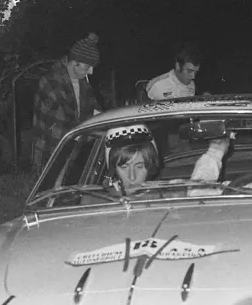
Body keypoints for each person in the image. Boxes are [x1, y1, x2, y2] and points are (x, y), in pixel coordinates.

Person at [32, 32, 103, 171]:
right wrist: (95, 133)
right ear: (75, 62)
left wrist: (107, 122)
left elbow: (94, 108)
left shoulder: (83, 82)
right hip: (52, 151)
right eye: (88, 67)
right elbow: (64, 125)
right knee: (53, 190)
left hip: (72, 150)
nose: (91, 72)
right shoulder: (51, 82)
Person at [104, 125, 162, 195]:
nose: (132, 177)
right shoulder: (102, 200)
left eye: (139, 167)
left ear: (150, 166)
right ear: (114, 169)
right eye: (124, 167)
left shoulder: (167, 199)